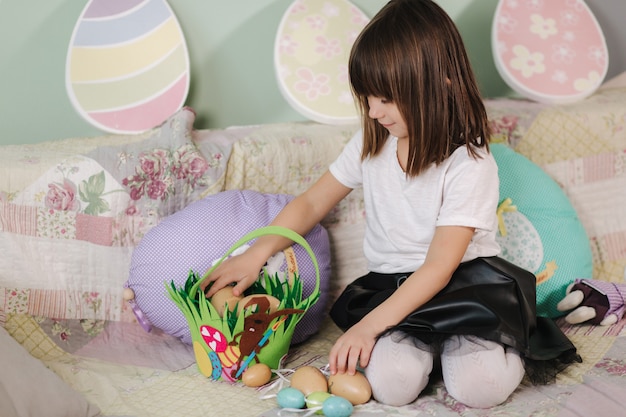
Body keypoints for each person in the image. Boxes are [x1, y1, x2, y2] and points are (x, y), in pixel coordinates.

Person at [203, 0, 578, 408]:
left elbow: (438, 267)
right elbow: (312, 202)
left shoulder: (469, 163)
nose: (373, 111)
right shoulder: (371, 142)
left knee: (479, 389)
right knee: (392, 386)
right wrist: (256, 254)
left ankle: (497, 344)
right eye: (366, 97)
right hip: (394, 288)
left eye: (385, 99)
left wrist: (367, 328)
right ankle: (431, 353)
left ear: (442, 84)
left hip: (463, 289)